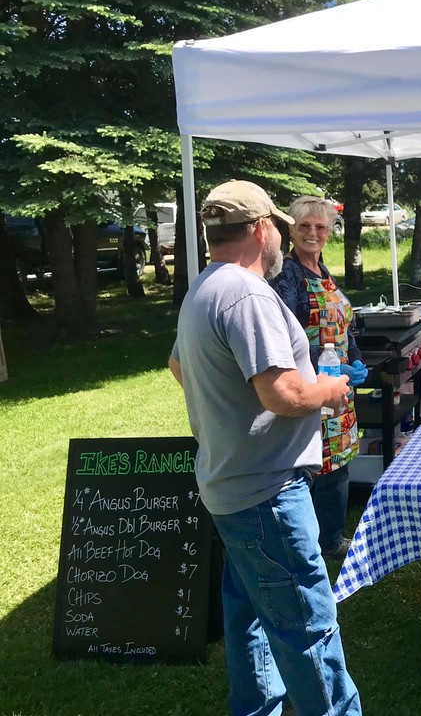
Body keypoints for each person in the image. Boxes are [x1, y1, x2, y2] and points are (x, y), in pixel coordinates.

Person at [168, 180, 362, 716]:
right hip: (268, 493)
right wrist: (332, 388)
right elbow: (286, 394)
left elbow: (177, 365)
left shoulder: (204, 287)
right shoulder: (247, 294)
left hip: (230, 484)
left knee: (250, 614)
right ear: (260, 229)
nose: (281, 236)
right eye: (278, 226)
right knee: (307, 625)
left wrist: (227, 408)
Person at [271, 195, 368, 562]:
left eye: (320, 227)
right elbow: (284, 336)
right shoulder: (288, 275)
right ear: (291, 230)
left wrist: (354, 360)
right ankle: (307, 543)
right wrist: (325, 364)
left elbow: (345, 327)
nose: (312, 233)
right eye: (304, 226)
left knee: (338, 463)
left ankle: (330, 538)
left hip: (338, 387)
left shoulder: (323, 271)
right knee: (314, 466)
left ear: (329, 232)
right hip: (310, 385)